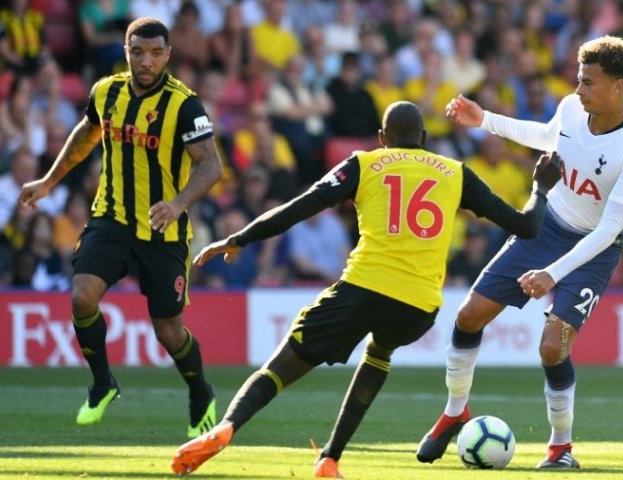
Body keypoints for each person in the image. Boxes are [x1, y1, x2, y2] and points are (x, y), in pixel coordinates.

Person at [169, 100, 561, 477]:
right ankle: (329, 460)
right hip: (419, 307)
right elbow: (526, 227)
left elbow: (301, 206)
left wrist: (239, 237)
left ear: (381, 137)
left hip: (362, 287)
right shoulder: (456, 172)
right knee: (379, 352)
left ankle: (228, 427)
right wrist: (541, 188)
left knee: (282, 366)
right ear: (423, 138)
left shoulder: (365, 163)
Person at [416, 36, 623, 469]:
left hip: (592, 250)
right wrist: (484, 119)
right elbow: (548, 135)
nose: (578, 90)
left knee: (553, 347)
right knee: (467, 316)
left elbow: (607, 231)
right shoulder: (571, 109)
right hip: (544, 231)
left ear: (618, 86)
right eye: (579, 80)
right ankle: (455, 411)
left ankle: (561, 448)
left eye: (588, 83)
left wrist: (552, 273)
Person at [17, 18, 223, 438]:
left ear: (168, 54)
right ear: (127, 51)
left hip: (164, 230)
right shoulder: (106, 91)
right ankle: (102, 383)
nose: (146, 61)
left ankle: (200, 391)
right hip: (112, 217)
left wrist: (179, 203)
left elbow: (211, 165)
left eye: (155, 53)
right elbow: (86, 133)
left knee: (168, 330)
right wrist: (48, 181)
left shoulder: (185, 105)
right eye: (138, 52)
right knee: (81, 296)